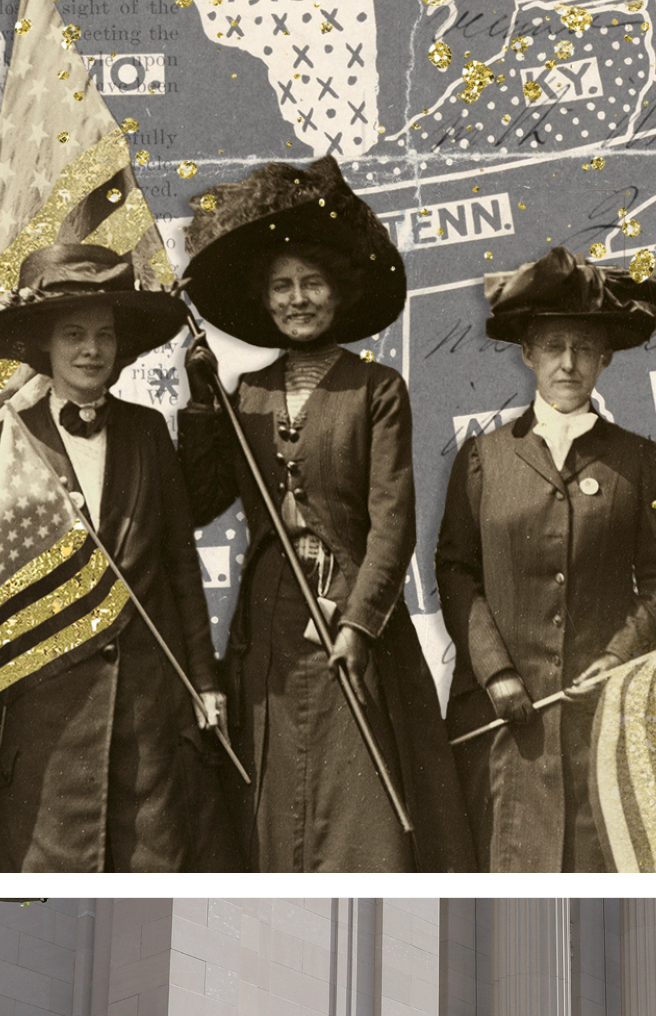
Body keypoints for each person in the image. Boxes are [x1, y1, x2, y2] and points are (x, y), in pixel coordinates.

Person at [178, 156, 474, 871]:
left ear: (337, 294)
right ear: (263, 299)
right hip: (269, 630)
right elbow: (196, 502)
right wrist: (197, 404)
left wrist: (359, 622)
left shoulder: (376, 390)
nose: (297, 299)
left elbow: (392, 520)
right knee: (275, 794)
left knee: (360, 804)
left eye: (311, 283)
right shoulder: (243, 391)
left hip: (350, 624)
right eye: (281, 286)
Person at [0, 242, 235, 870]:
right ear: (44, 348)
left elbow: (181, 565)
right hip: (46, 716)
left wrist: (206, 682)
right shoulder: (9, 440)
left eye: (105, 334)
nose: (91, 349)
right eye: (74, 333)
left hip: (147, 713)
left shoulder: (147, 432)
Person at [435, 247, 656, 871]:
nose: (567, 363)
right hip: (501, 728)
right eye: (552, 346)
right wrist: (495, 672)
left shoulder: (640, 459)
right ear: (527, 353)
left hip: (597, 726)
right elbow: (455, 570)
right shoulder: (482, 458)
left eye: (583, 348)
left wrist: (616, 660)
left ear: (604, 357)